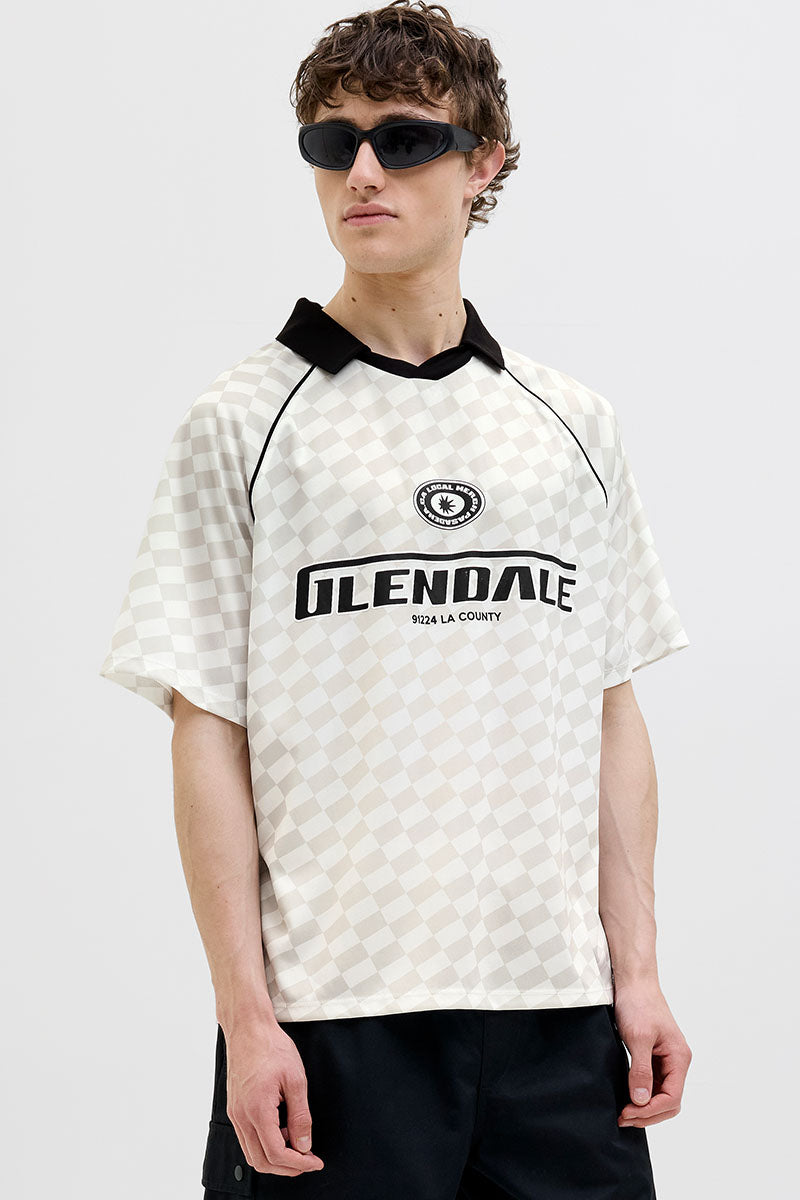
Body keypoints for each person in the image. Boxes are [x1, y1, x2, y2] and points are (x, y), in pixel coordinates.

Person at [98, 3, 693, 1196]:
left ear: (483, 165)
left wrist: (634, 973)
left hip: (560, 1021)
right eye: (334, 144)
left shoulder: (570, 427)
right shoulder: (242, 423)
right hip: (333, 1023)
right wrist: (246, 1017)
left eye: (405, 139)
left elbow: (606, 706)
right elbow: (205, 727)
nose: (362, 172)